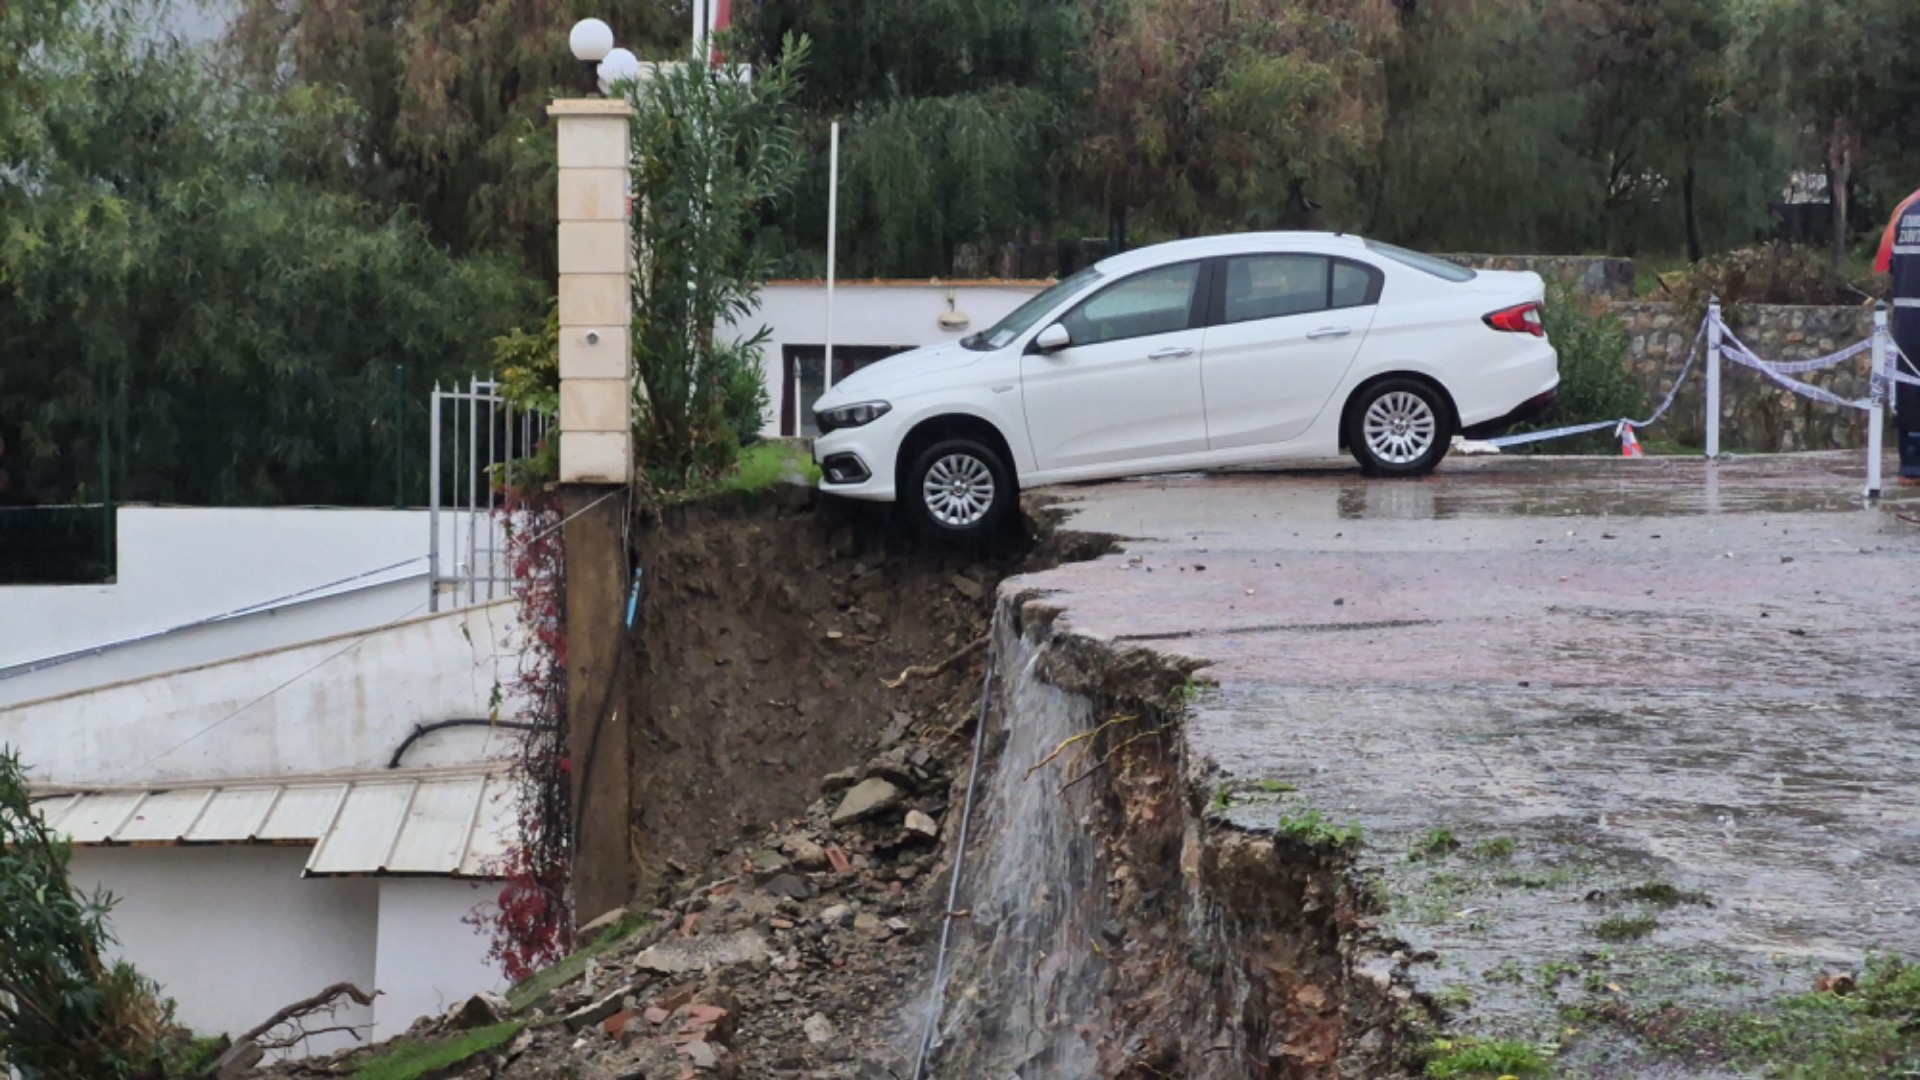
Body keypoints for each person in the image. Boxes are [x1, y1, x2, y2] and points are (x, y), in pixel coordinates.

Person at [1874, 186, 1920, 484]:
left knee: (1909, 388)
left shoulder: (1905, 211)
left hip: (1907, 321)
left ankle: (1911, 466)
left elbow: (1889, 266)